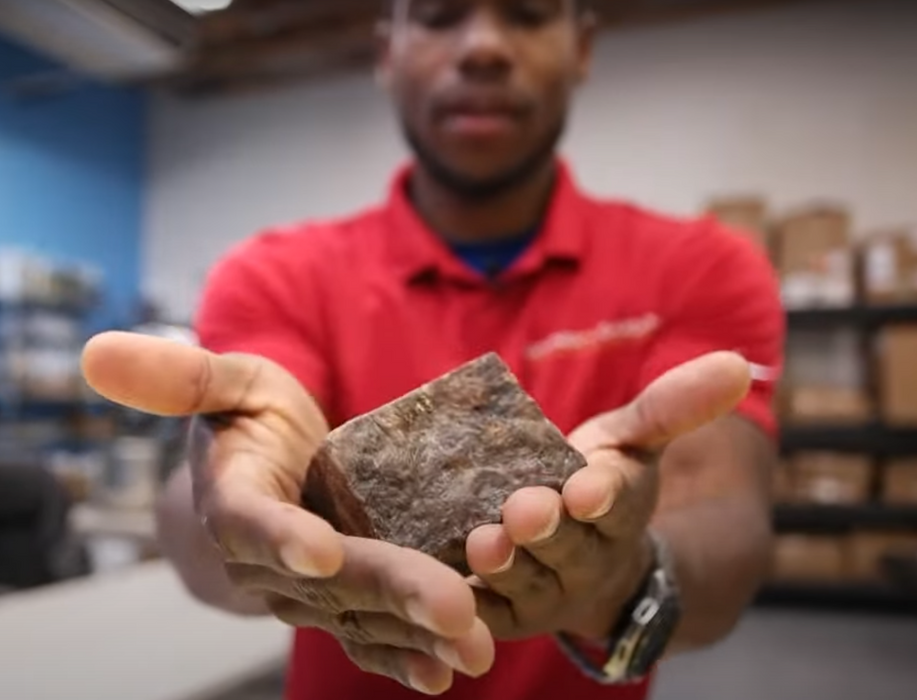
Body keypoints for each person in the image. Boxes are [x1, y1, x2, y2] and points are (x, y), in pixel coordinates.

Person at [81, 0, 785, 698]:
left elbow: (726, 529)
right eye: (441, 15)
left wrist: (619, 573)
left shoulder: (700, 265)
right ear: (387, 52)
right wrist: (234, 503)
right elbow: (203, 518)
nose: (482, 47)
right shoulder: (275, 272)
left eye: (527, 14)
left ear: (581, 48)